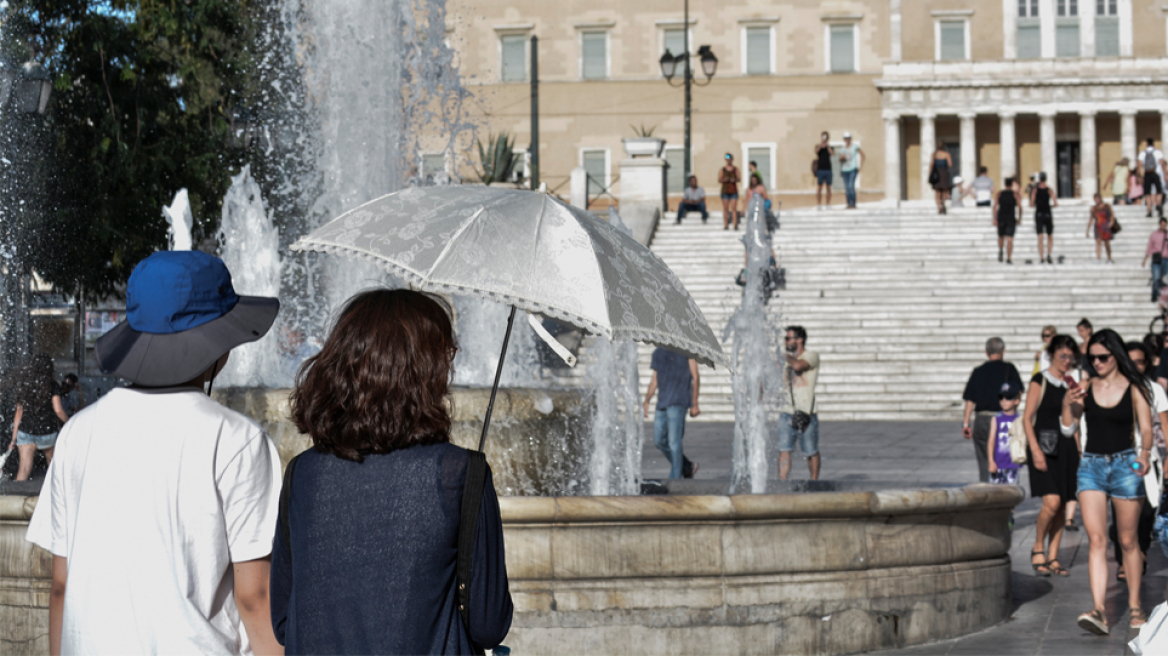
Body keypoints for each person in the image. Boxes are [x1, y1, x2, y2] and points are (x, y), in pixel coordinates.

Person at [25, 250, 284, 654]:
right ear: (219, 344)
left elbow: (61, 585)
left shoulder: (77, 433)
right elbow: (255, 597)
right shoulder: (237, 440)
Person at [273, 289, 513, 653]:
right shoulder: (458, 474)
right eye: (444, 354)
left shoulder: (303, 474)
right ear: (423, 370)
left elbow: (284, 621)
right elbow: (487, 623)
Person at [1065, 329, 1154, 635]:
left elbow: (1146, 429)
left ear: (1116, 355)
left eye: (1103, 357)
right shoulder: (1085, 386)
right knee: (1097, 541)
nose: (1097, 362)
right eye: (1092, 358)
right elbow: (1069, 426)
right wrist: (1069, 404)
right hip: (1090, 466)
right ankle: (1099, 610)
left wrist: (1144, 454)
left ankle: (1134, 605)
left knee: (1128, 541)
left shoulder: (1136, 388)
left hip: (1126, 465)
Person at [1107, 341, 1168, 582]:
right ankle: (1123, 561)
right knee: (1120, 512)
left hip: (1148, 460)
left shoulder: (1154, 389)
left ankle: (1140, 551)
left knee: (1146, 512)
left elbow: (1165, 422)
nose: (1135, 365)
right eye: (1130, 361)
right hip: (1117, 459)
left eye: (1140, 361)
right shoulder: (1112, 388)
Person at [1023, 334, 1080, 578]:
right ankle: (1038, 547)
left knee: (1062, 504)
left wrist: (1080, 451)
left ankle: (1054, 556)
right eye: (1062, 355)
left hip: (1066, 449)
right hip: (1043, 448)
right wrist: (1035, 450)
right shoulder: (1040, 380)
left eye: (1070, 356)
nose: (1067, 360)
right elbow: (1027, 418)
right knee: (1052, 502)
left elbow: (1076, 421)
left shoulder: (1071, 383)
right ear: (1052, 354)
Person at [961, 337, 1024, 483]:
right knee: (1006, 458)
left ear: (986, 352)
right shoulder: (1009, 368)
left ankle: (987, 494)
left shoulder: (978, 371)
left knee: (984, 461)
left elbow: (970, 399)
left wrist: (966, 424)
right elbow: (1019, 392)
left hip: (982, 419)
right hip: (1003, 419)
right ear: (1003, 351)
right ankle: (1008, 493)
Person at [5, 353, 68, 481]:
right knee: (53, 466)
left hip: (26, 431)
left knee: (24, 469)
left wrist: (13, 438)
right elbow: (58, 409)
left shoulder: (24, 385)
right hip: (47, 431)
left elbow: (18, 413)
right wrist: (70, 422)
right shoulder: (52, 385)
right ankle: (55, 496)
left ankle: (18, 497)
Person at [643, 347, 700, 479]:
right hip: (662, 403)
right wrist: (647, 400)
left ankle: (675, 478)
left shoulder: (687, 350)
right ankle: (687, 467)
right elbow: (655, 380)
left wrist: (694, 403)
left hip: (679, 402)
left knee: (674, 443)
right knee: (659, 441)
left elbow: (695, 376)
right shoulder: (658, 352)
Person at [778, 326, 820, 480]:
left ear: (799, 340)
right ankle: (782, 482)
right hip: (787, 411)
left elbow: (798, 366)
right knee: (784, 450)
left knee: (811, 451)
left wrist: (786, 357)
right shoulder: (786, 359)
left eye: (788, 338)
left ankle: (814, 481)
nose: (785, 341)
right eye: (785, 338)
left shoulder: (811, 356)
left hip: (807, 411)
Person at [987, 381, 1023, 485]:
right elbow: (991, 441)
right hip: (998, 464)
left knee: (1011, 494)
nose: (1004, 401)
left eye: (1008, 398)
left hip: (1013, 464)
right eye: (1001, 397)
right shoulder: (996, 418)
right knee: (995, 494)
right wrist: (991, 461)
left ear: (1016, 401)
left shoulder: (1019, 419)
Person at [992, 176, 1022, 264]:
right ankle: (1008, 258)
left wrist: (994, 218)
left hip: (1001, 217)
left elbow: (995, 206)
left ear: (1005, 184)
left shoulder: (999, 193)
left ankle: (1001, 249)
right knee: (1009, 239)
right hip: (1011, 218)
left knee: (1001, 236)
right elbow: (1020, 207)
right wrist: (1019, 218)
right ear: (1011, 184)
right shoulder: (1015, 194)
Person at [1030, 172, 1057, 265]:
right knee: (1049, 235)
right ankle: (1048, 254)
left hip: (1039, 213)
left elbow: (1031, 203)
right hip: (1047, 213)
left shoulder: (1035, 190)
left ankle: (1042, 257)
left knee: (1040, 236)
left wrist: (1037, 204)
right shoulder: (1049, 190)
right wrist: (1049, 206)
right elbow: (1055, 203)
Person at [1085, 193, 1116, 264]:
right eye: (1095, 199)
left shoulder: (1106, 206)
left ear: (1100, 198)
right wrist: (1087, 230)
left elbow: (1112, 215)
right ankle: (1098, 259)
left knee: (1107, 244)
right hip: (1097, 227)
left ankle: (1109, 258)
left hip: (1106, 227)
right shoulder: (1093, 208)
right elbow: (1091, 219)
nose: (1097, 200)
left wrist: (1111, 223)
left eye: (1098, 199)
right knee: (1098, 242)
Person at [1143, 217, 1168, 302]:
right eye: (1162, 225)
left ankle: (1163, 297)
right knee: (1156, 278)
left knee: (1165, 279)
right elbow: (1150, 247)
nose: (1164, 226)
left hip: (1166, 259)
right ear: (1159, 224)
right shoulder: (1154, 234)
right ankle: (1154, 294)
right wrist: (1145, 259)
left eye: (1165, 225)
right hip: (1156, 259)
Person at [1140, 137, 1165, 219]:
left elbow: (1139, 165)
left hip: (1147, 174)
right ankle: (1158, 204)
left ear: (1146, 144)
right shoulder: (1158, 152)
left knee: (1147, 192)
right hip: (1156, 173)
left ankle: (1149, 210)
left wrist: (1139, 176)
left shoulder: (1143, 153)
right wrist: (1165, 174)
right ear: (1153, 144)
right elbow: (1162, 163)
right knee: (1159, 190)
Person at [838, 131, 863, 209]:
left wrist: (860, 166)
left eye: (848, 138)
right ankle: (849, 203)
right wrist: (841, 158)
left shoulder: (855, 147)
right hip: (845, 170)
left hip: (853, 169)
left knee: (851, 186)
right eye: (845, 138)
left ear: (850, 139)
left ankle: (853, 203)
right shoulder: (842, 149)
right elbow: (840, 160)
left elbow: (863, 155)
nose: (847, 140)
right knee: (847, 187)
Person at [718, 153, 741, 230]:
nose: (729, 160)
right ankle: (726, 224)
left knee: (733, 208)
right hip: (725, 191)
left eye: (730, 158)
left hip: (733, 191)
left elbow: (739, 178)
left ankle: (735, 224)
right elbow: (719, 179)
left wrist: (733, 180)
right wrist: (725, 179)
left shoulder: (735, 169)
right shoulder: (723, 169)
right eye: (727, 158)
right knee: (725, 208)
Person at [929, 145, 953, 215]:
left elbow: (931, 165)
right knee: (944, 191)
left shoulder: (934, 154)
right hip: (944, 173)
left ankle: (939, 206)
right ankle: (943, 205)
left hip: (936, 174)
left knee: (938, 192)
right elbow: (950, 164)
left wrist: (930, 175)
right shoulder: (947, 154)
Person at [814, 132, 834, 209]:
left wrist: (827, 145)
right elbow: (816, 151)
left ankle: (828, 204)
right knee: (819, 187)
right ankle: (819, 204)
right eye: (823, 136)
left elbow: (832, 154)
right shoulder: (818, 146)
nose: (824, 138)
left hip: (828, 169)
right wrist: (821, 144)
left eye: (826, 137)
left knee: (828, 188)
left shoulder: (830, 147)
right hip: (820, 170)